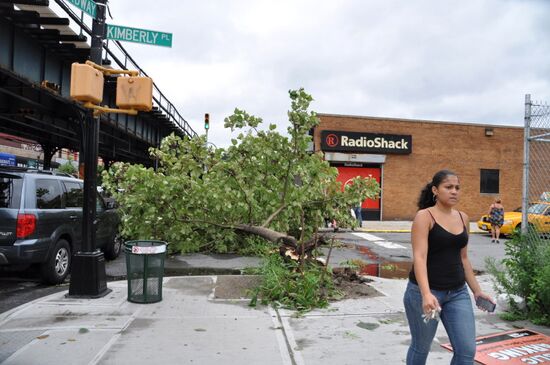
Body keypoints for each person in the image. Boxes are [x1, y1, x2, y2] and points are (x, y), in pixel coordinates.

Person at [403, 170, 494, 365]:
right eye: (448, 187)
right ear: (435, 190)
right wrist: (426, 294)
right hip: (424, 293)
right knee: (421, 348)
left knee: (466, 351)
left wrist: (477, 291)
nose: (454, 191)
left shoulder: (463, 218)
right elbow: (419, 257)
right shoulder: (424, 216)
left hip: (457, 293)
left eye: (457, 188)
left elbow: (463, 258)